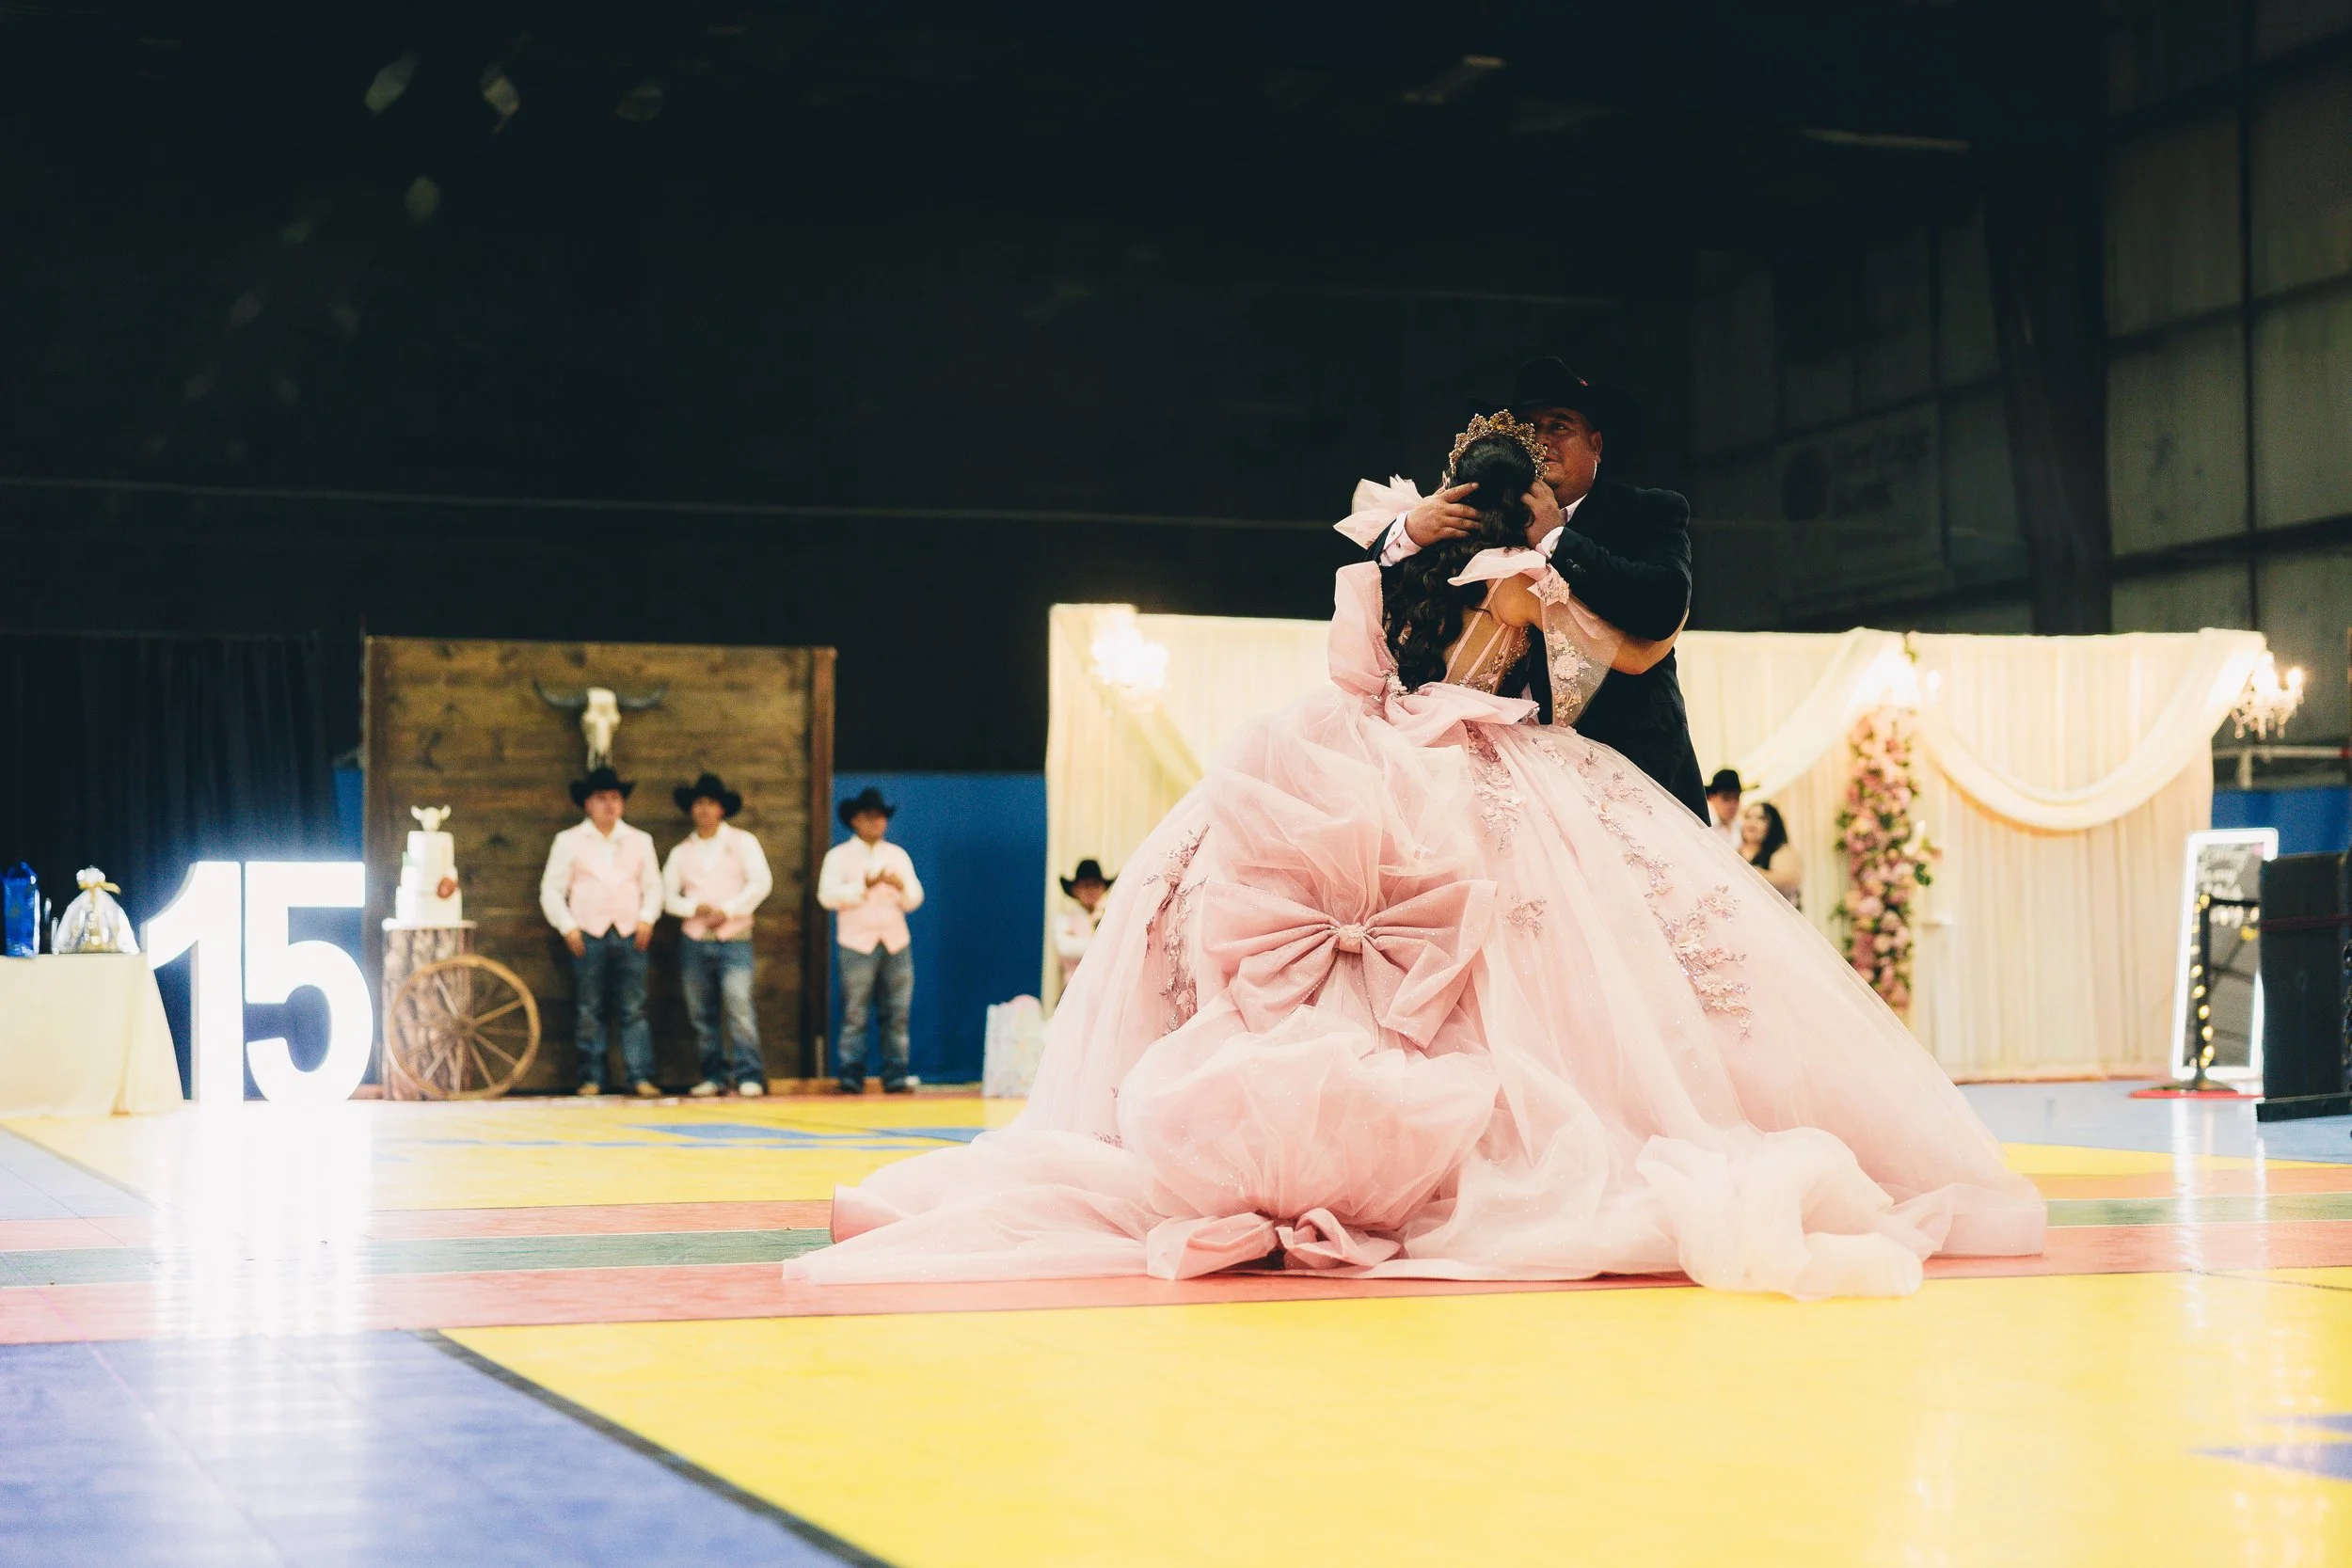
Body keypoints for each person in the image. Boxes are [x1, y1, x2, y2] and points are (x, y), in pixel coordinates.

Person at [786, 415, 2042, 1300]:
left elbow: (1357, 675)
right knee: (1538, 983)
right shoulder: (1522, 577)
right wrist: (1539, 571)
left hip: (1365, 749)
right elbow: (1599, 673)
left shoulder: (1387, 567)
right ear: (1520, 495)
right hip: (1500, 766)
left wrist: (1399, 557)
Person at [1343, 356, 1708, 819]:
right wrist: (1410, 531)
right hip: (1488, 781)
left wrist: (1558, 539)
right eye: (1530, 427)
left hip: (1627, 771)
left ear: (1596, 444)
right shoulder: (1485, 520)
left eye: (1561, 426)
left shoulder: (1647, 511)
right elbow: (1383, 601)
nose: (1543, 440)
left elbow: (1661, 605)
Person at [539, 766, 664, 1098]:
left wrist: (648, 919)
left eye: (614, 798)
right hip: (588, 933)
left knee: (633, 1007)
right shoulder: (568, 841)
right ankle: (591, 1077)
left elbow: (653, 886)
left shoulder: (640, 840)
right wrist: (567, 926)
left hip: (630, 931)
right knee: (589, 1008)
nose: (609, 804)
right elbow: (552, 889)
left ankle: (640, 1076)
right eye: (601, 798)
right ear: (587, 804)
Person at [662, 772, 774, 1099]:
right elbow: (668, 897)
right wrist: (695, 907)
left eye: (711, 803)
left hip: (734, 937)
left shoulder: (743, 842)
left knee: (739, 1004)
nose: (704, 810)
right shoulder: (681, 852)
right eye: (699, 803)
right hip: (695, 940)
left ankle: (749, 1074)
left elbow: (760, 883)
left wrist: (729, 909)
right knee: (701, 1012)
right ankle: (714, 1075)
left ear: (722, 809)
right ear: (691, 810)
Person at [818, 786, 925, 1095]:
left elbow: (915, 898)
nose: (877, 823)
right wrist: (861, 888)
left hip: (895, 941)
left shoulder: (897, 856)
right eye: (870, 817)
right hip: (856, 943)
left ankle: (896, 1074)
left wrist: (900, 885)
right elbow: (826, 896)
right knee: (855, 1012)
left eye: (881, 817)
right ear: (855, 820)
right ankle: (851, 1074)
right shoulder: (838, 857)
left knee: (897, 1011)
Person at [1054, 859, 1116, 990]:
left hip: (1106, 988)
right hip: (1075, 989)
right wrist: (1100, 944)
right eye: (1086, 885)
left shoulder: (1110, 916)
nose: (1091, 890)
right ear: (1075, 889)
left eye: (1095, 884)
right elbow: (1064, 947)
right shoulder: (1065, 919)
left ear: (1103, 888)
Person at [1740, 800, 1804, 907]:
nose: (1752, 823)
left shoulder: (1782, 852)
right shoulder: (1736, 851)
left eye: (1760, 818)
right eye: (1748, 817)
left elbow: (1788, 881)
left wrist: (1752, 873)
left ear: (1772, 825)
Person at [1705, 768, 1745, 851]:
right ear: (1712, 797)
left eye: (1736, 798)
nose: (1732, 804)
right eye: (1726, 798)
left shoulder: (1741, 826)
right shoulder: (1704, 827)